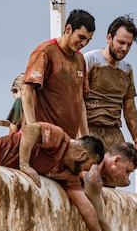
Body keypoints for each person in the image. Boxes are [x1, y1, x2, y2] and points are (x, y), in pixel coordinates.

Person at [0, 122, 116, 231]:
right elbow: (31, 129)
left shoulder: (69, 175)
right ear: (82, 155)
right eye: (91, 164)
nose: (88, 169)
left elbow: (86, 208)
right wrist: (24, 165)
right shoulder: (59, 139)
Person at [21, 8, 94, 137]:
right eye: (81, 37)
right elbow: (27, 90)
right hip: (44, 137)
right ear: (68, 29)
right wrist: (32, 129)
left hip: (68, 140)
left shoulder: (80, 59)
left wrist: (86, 138)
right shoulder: (45, 51)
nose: (84, 43)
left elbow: (80, 100)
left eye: (88, 40)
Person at [83, 15, 137, 153]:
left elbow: (130, 108)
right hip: (89, 128)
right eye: (121, 42)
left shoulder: (126, 69)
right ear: (109, 38)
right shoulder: (90, 60)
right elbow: (76, 99)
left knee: (124, 164)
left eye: (129, 45)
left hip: (113, 133)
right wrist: (82, 134)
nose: (124, 48)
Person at [82, 142, 137, 231]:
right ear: (116, 160)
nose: (126, 176)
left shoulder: (100, 162)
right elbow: (99, 218)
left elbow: (126, 182)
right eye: (127, 171)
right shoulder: (93, 175)